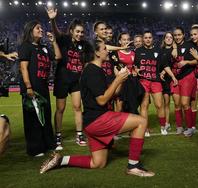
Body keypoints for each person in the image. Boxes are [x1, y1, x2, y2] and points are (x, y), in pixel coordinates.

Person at [40, 40, 155, 177]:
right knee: (141, 121)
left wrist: (122, 79)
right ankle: (133, 166)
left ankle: (60, 160)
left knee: (98, 163)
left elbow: (115, 92)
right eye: (105, 48)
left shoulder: (95, 70)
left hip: (91, 122)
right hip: (98, 120)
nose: (108, 50)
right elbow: (102, 100)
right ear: (96, 52)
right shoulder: (92, 71)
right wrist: (117, 79)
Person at [47, 7, 88, 150]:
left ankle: (79, 135)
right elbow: (56, 32)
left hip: (76, 80)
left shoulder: (85, 44)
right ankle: (57, 136)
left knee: (78, 107)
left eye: (82, 32)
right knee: (60, 109)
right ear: (71, 31)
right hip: (62, 79)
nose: (80, 34)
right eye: (77, 31)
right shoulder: (64, 39)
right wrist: (52, 19)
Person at [18, 20, 61, 156]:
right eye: (38, 28)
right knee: (33, 118)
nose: (41, 30)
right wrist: (28, 87)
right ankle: (35, 148)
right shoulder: (25, 46)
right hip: (32, 86)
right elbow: (23, 67)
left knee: (45, 116)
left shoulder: (44, 47)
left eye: (41, 28)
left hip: (43, 86)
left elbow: (58, 57)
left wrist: (53, 42)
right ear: (31, 30)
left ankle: (48, 144)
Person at [135, 31, 177, 136]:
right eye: (145, 38)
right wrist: (135, 70)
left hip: (156, 81)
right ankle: (145, 129)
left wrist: (172, 76)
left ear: (152, 39)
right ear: (143, 39)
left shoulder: (158, 50)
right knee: (144, 106)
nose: (148, 39)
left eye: (149, 37)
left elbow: (165, 65)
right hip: (143, 81)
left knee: (159, 105)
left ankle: (163, 127)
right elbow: (133, 66)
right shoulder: (138, 51)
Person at [170, 27, 197, 136]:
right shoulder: (171, 46)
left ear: (183, 35)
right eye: (175, 35)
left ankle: (190, 128)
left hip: (187, 76)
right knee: (177, 104)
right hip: (175, 78)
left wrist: (186, 62)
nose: (177, 37)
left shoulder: (190, 45)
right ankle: (179, 127)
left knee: (185, 103)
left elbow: (196, 60)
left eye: (179, 35)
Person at [159, 32, 174, 131]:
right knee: (163, 103)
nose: (169, 39)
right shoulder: (160, 51)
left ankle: (168, 123)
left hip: (171, 78)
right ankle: (165, 123)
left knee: (171, 103)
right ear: (164, 39)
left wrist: (165, 71)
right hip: (162, 79)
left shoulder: (175, 50)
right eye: (167, 37)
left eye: (170, 37)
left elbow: (173, 63)